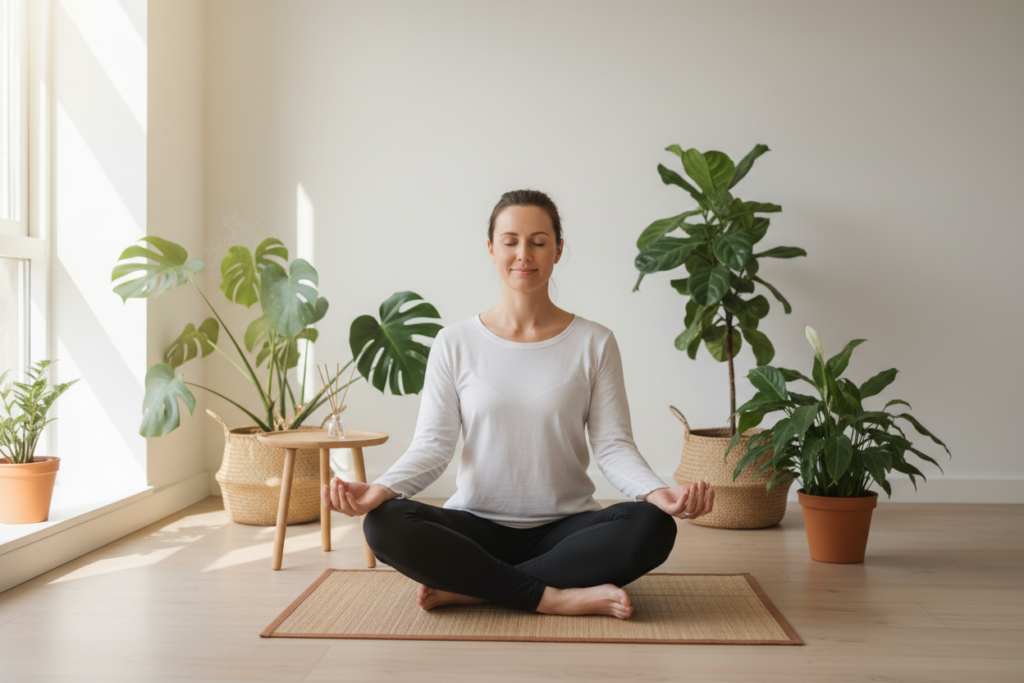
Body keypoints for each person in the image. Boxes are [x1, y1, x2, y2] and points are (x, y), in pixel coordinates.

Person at [321, 189, 715, 620]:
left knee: (653, 526)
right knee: (383, 523)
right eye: (510, 241)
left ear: (558, 250)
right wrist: (379, 490)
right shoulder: (455, 343)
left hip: (567, 529)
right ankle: (554, 597)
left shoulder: (594, 342)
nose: (523, 254)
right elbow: (433, 446)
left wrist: (659, 493)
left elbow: (613, 446)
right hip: (476, 525)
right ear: (491, 249)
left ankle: (477, 588)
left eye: (538, 241)